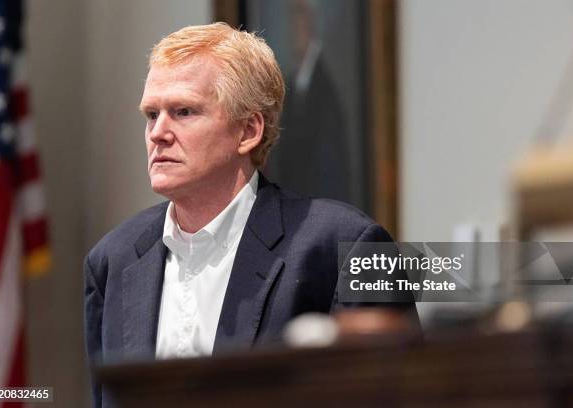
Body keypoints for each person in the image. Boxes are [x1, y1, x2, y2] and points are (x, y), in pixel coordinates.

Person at [84, 22, 416, 408]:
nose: (158, 132)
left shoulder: (344, 247)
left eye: (183, 111)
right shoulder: (112, 260)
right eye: (151, 114)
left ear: (248, 131)